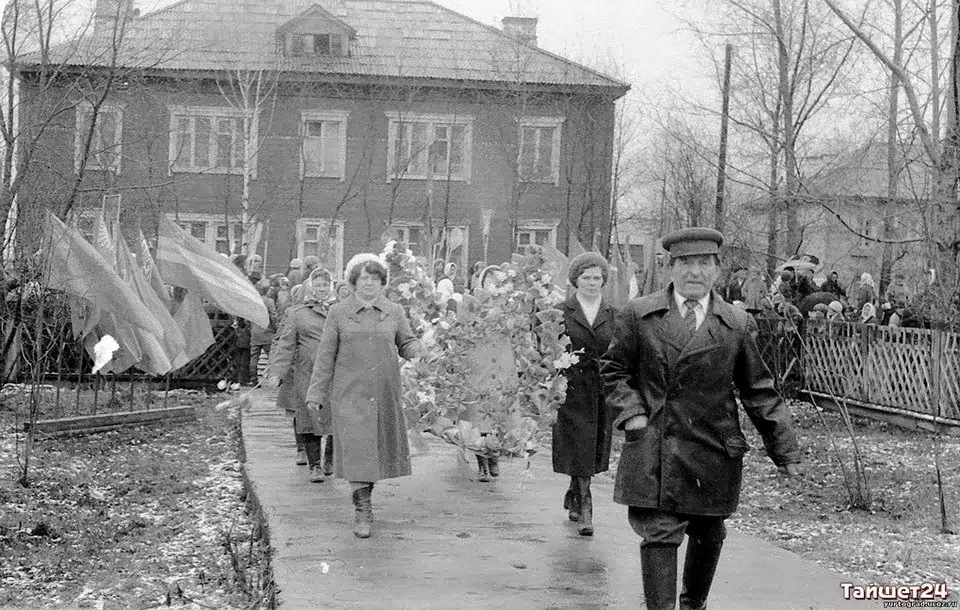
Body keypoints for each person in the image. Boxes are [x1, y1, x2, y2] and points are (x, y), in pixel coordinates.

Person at [600, 227, 802, 610]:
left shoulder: (736, 323)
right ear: (670, 268)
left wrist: (785, 450)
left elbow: (759, 390)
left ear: (717, 270)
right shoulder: (640, 315)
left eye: (704, 263)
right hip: (656, 446)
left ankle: (694, 605)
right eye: (686, 263)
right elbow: (613, 370)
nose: (695, 272)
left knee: (709, 533)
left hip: (713, 448)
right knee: (659, 533)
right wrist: (632, 413)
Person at [306, 256, 424, 539]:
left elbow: (406, 342)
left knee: (374, 454)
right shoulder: (338, 313)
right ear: (353, 282)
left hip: (383, 393)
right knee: (358, 450)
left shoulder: (394, 311)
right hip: (350, 393)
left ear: (382, 283)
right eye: (363, 278)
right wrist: (316, 391)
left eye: (375, 278)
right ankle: (363, 509)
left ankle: (365, 498)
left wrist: (421, 350)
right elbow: (325, 355)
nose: (369, 283)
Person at [553, 252, 616, 537]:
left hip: (602, 387)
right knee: (578, 442)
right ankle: (586, 503)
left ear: (604, 280)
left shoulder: (614, 314)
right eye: (586, 277)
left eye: (597, 278)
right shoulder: (560, 312)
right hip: (571, 387)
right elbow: (547, 348)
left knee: (593, 444)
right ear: (575, 280)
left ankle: (575, 490)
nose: (592, 282)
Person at [264, 268, 336, 482]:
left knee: (336, 416)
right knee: (308, 417)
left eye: (325, 285)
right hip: (307, 373)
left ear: (330, 286)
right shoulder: (298, 313)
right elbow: (286, 345)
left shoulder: (340, 310)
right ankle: (314, 465)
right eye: (318, 285)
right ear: (310, 287)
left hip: (335, 373)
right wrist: (277, 372)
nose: (321, 289)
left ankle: (329, 457)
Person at [249, 281, 277, 383]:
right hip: (267, 331)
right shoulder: (269, 301)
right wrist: (276, 328)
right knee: (271, 356)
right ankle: (273, 377)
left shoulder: (253, 301)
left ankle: (253, 378)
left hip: (255, 332)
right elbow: (273, 316)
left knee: (254, 357)